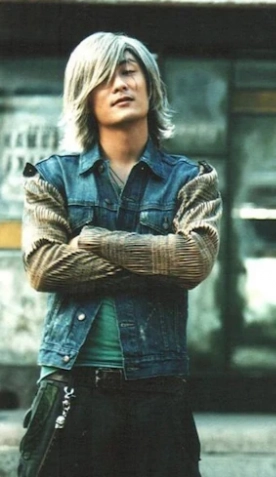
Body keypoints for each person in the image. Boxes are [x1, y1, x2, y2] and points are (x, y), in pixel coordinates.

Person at [17, 32, 221, 477]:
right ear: (84, 95)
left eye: (129, 71)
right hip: (71, 382)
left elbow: (194, 261)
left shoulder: (191, 180)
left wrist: (94, 239)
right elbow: (45, 267)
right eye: (104, 77)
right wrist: (157, 260)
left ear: (150, 84)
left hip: (157, 389)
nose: (121, 84)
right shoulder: (52, 178)